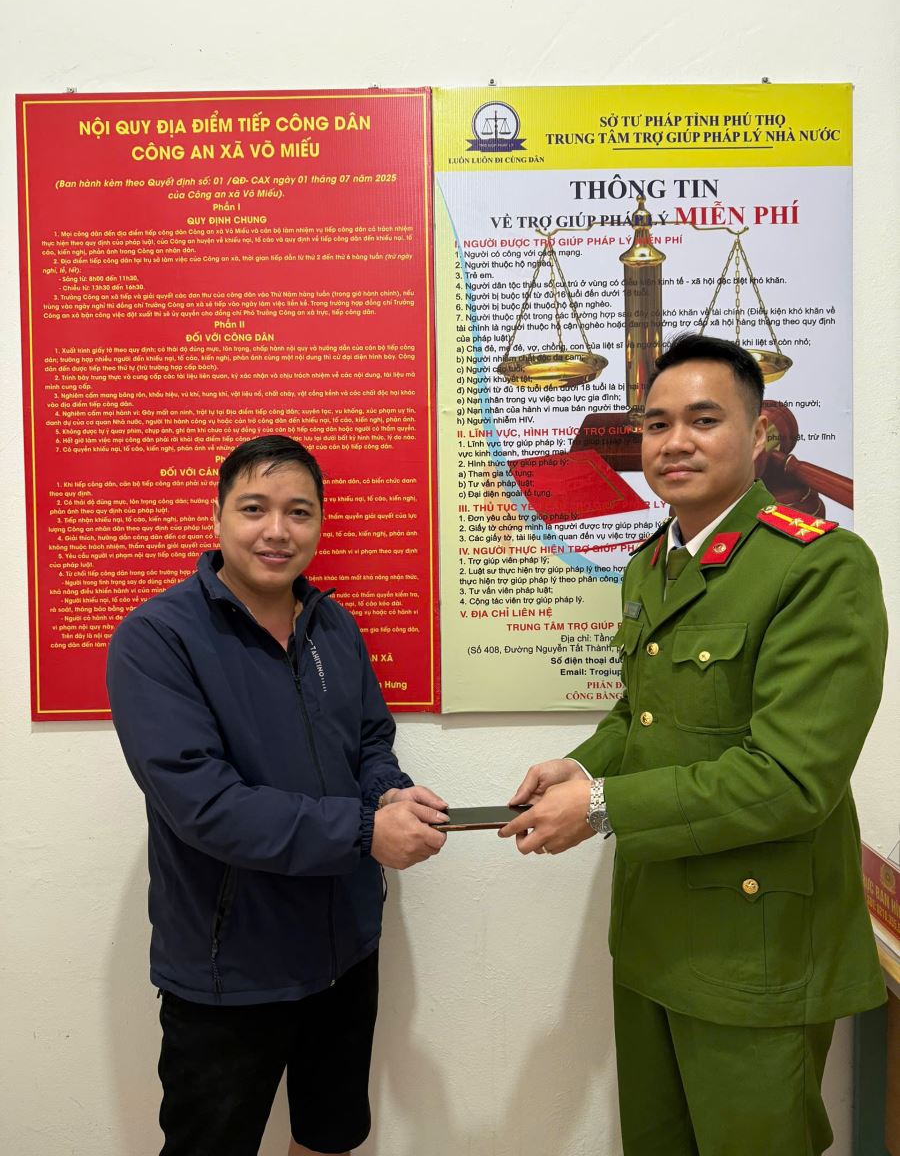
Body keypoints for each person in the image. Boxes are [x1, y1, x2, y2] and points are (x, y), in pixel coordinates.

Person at [499, 334, 888, 1155]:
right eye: (656, 424)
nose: (674, 442)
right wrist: (582, 765)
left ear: (759, 435)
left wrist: (598, 806)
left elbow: (789, 779)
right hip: (653, 933)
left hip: (755, 950)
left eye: (704, 420)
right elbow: (642, 716)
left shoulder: (819, 567)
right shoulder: (653, 564)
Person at [107, 435, 448, 1156]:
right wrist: (366, 831)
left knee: (330, 1138)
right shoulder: (156, 638)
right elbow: (204, 804)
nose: (277, 530)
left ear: (319, 524)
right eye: (254, 508)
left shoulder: (333, 624)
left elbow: (370, 742)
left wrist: (389, 795)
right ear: (217, 517)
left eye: (299, 512)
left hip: (344, 947)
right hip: (229, 967)